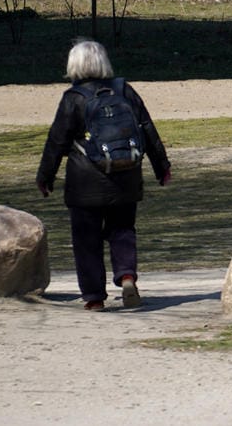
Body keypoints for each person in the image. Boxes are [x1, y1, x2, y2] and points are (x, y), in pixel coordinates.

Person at [35, 39, 172, 311]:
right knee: (123, 230)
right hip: (127, 176)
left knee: (86, 239)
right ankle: (127, 275)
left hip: (85, 182)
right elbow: (148, 130)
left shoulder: (73, 99)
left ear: (74, 65)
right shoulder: (124, 90)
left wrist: (45, 177)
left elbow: (56, 142)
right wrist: (162, 167)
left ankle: (95, 297)